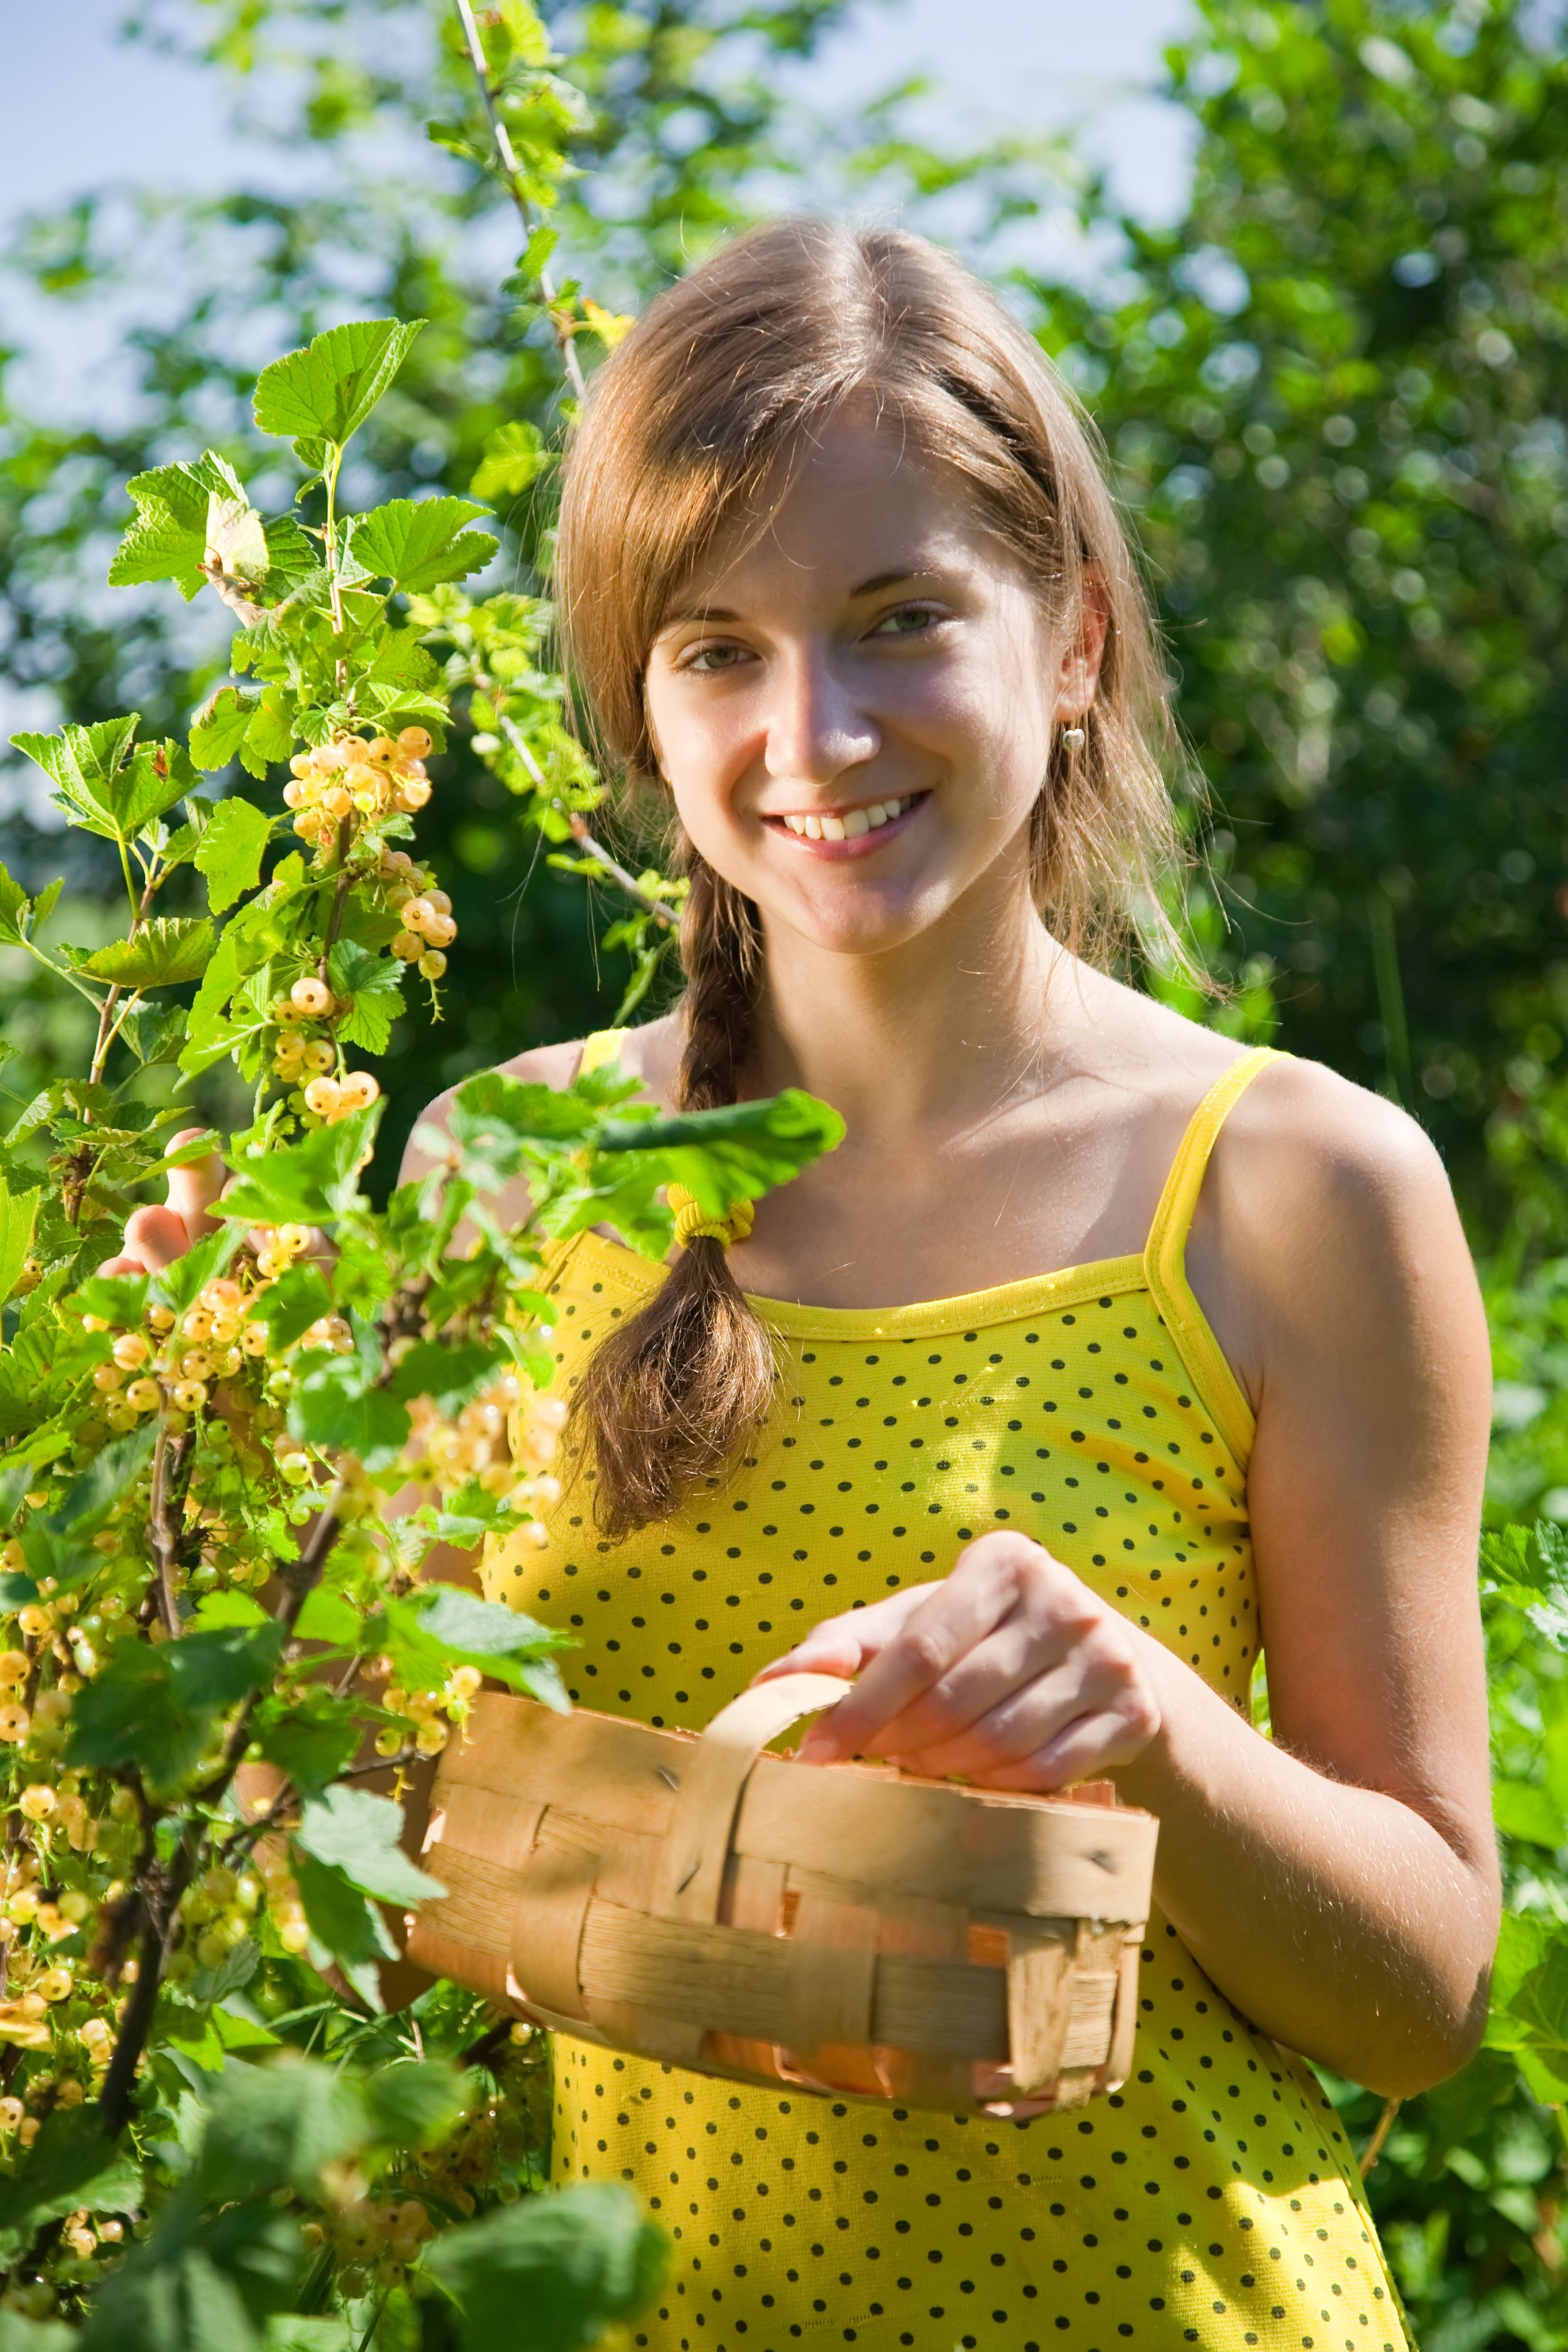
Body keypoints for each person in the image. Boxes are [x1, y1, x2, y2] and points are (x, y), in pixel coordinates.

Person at [117, 220, 1496, 2351]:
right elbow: (374, 1927)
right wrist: (203, 1494)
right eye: (718, 649)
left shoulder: (1295, 1185)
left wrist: (1157, 1738)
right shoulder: (509, 1166)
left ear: (1073, 640)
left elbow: (1414, 1999)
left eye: (897, 621)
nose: (813, 730)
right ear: (641, 703)